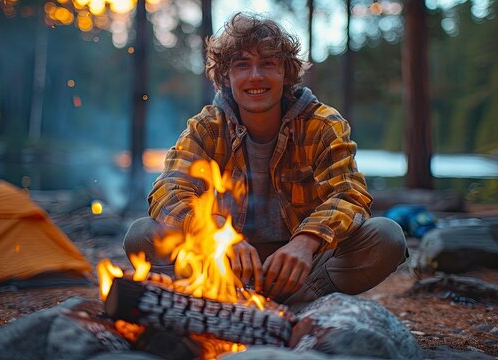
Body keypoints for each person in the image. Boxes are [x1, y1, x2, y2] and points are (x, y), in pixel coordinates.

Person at [123, 12, 407, 307]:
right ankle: (228, 297)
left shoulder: (322, 124)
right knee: (142, 235)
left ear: (286, 72)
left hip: (301, 267)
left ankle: (299, 301)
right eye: (242, 65)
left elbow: (349, 195)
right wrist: (218, 231)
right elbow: (167, 191)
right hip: (225, 265)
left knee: (386, 237)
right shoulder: (207, 127)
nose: (255, 76)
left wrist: (306, 242)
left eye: (268, 64)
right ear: (226, 76)